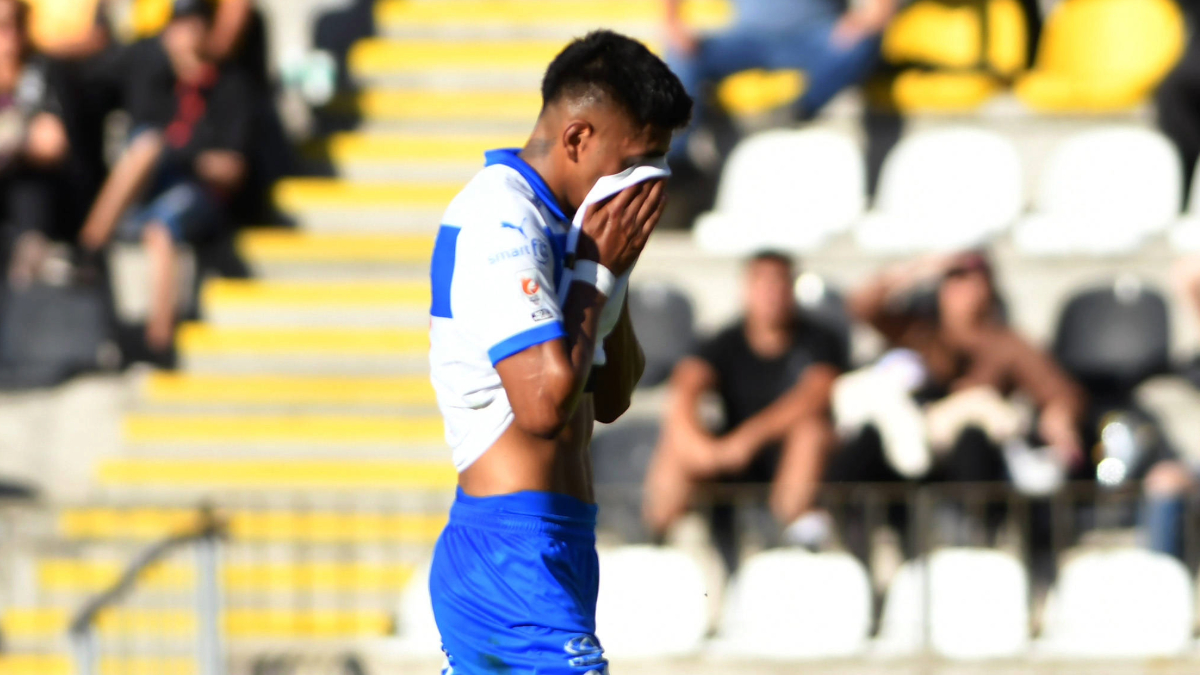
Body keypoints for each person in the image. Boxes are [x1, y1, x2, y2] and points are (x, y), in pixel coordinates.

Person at [426, 31, 690, 674]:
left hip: (557, 544)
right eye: (636, 162)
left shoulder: (561, 229)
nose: (645, 185)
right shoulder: (501, 218)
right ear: (577, 139)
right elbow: (543, 406)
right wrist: (595, 273)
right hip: (508, 550)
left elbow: (615, 396)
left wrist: (612, 274)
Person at [642, 251, 848, 566]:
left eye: (780, 284)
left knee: (811, 433)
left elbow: (815, 396)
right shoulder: (723, 341)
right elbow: (686, 386)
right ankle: (655, 541)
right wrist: (701, 449)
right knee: (676, 442)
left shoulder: (820, 340)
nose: (772, 294)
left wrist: (750, 438)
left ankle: (786, 538)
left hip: (789, 457)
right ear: (747, 289)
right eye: (763, 284)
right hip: (736, 461)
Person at [76, 0, 252, 352]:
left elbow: (232, 168)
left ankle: (158, 339)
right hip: (149, 187)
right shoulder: (155, 80)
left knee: (159, 226)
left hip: (197, 191)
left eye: (193, 27)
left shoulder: (227, 85)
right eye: (178, 28)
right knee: (145, 147)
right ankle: (91, 245)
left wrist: (185, 157)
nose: (184, 37)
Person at [846, 252, 1088, 484]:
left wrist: (1059, 417)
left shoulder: (1007, 343)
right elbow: (863, 306)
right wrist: (918, 269)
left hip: (977, 458)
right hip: (915, 448)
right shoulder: (922, 333)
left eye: (967, 280)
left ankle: (973, 523)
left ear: (986, 289)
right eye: (951, 279)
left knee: (971, 436)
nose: (958, 290)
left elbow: (1058, 391)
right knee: (868, 437)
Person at [664, 0, 893, 164]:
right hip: (747, 39)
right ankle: (675, 163)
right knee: (681, 56)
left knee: (861, 47)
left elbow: (878, 12)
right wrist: (674, 23)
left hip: (816, 39)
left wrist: (864, 21)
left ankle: (796, 110)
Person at [0, 0, 70, 286]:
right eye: (3, 26)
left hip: (26, 190)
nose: (10, 35)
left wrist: (13, 139)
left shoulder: (40, 71)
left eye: (16, 24)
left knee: (30, 187)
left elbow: (51, 143)